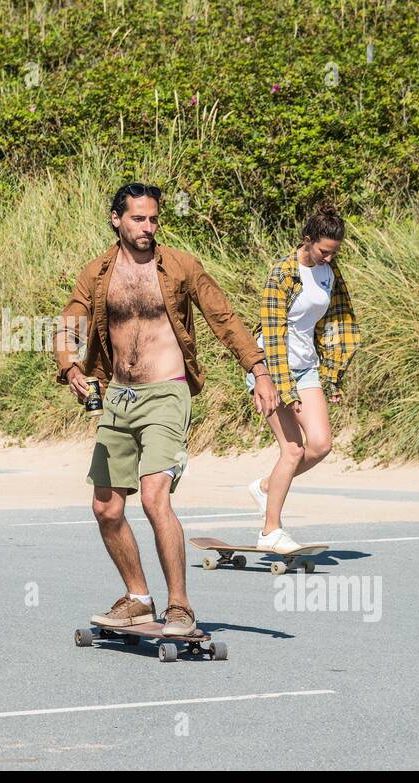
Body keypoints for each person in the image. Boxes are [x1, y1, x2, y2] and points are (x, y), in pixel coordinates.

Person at [53, 182, 278, 636]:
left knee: (156, 497)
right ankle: (138, 597)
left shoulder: (179, 266)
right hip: (118, 395)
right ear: (117, 219)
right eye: (138, 218)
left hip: (167, 393)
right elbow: (68, 325)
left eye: (153, 219)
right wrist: (71, 367)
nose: (148, 227)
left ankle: (180, 606)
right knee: (106, 509)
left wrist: (259, 369)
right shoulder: (96, 273)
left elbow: (223, 317)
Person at [247, 205, 360, 552]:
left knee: (321, 445)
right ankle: (270, 530)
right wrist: (282, 386)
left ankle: (266, 487)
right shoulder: (282, 273)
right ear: (307, 241)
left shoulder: (329, 271)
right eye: (324, 250)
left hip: (307, 366)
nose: (329, 256)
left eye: (334, 251)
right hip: (272, 368)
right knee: (293, 449)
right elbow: (273, 331)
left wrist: (332, 375)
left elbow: (339, 322)